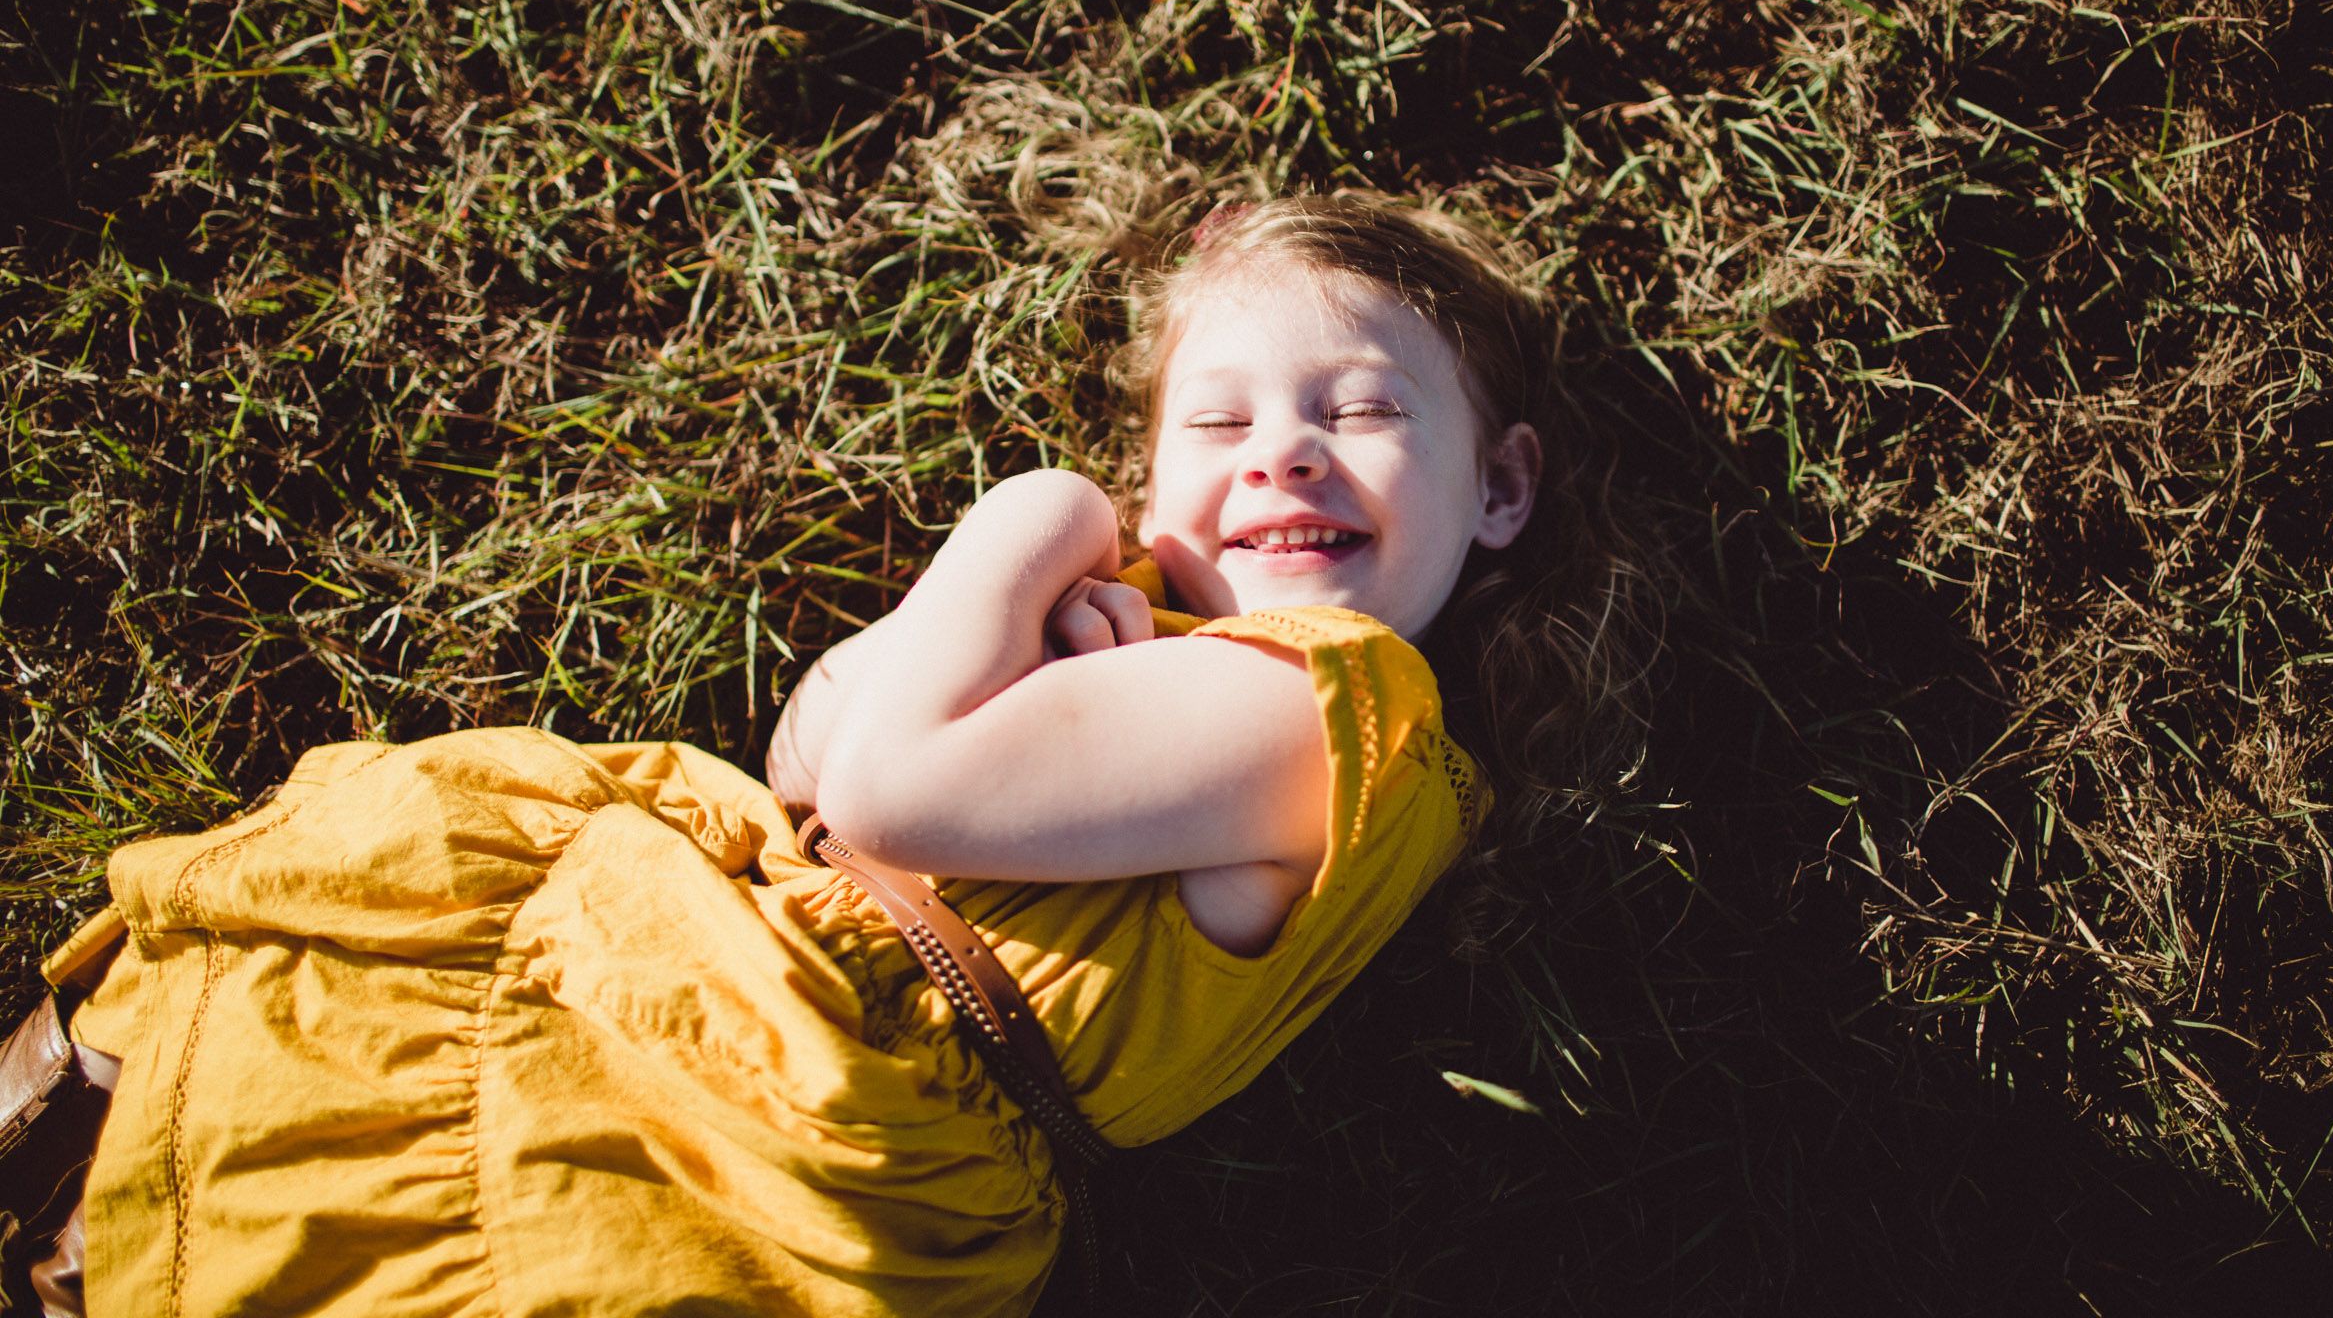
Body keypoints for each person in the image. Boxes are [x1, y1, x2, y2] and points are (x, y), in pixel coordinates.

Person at [35, 195, 1652, 1317]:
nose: (1284, 446)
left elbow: (875, 781)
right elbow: (814, 745)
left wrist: (1032, 525)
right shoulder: (1195, 653)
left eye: (1361, 411)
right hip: (766, 1012)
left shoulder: (1339, 703)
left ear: (1500, 490)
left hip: (800, 1076)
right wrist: (999, 664)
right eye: (1218, 427)